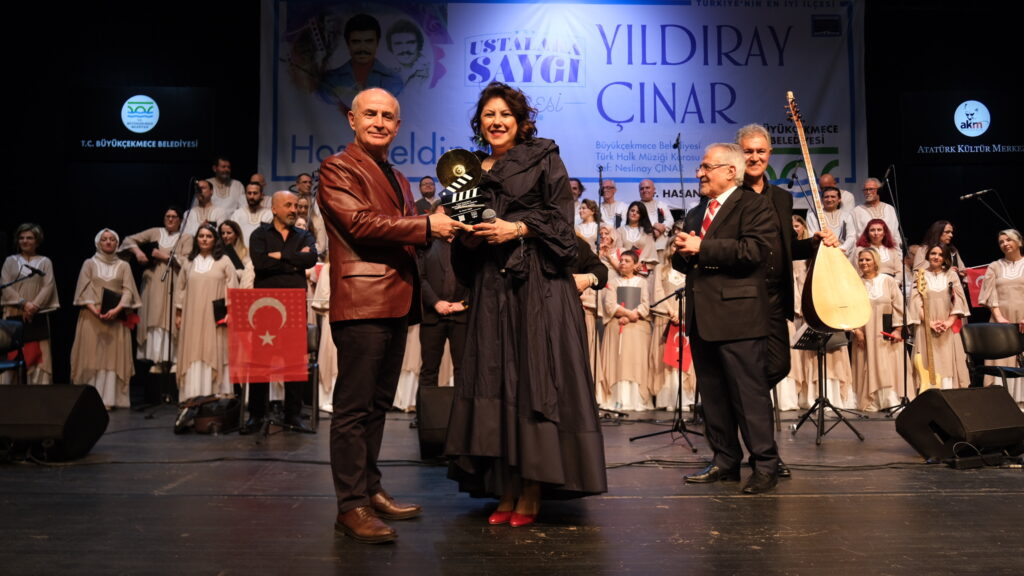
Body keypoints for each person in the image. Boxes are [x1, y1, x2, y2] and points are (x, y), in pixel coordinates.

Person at [444, 81, 608, 528]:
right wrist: (467, 234)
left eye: (505, 115)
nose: (496, 122)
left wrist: (515, 229)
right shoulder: (468, 170)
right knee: (497, 381)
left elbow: (561, 223)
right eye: (489, 115)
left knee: (535, 381)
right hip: (490, 289)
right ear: (479, 122)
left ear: (521, 122)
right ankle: (506, 487)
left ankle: (533, 489)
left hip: (538, 287)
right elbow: (462, 244)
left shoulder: (544, 158)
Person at [318, 88, 467, 543]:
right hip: (362, 300)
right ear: (352, 120)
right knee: (353, 408)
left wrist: (445, 228)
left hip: (397, 299)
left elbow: (405, 236)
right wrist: (427, 225)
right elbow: (359, 224)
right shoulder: (337, 168)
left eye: (388, 116)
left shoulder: (399, 177)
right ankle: (351, 506)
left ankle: (370, 488)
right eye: (371, 114)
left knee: (378, 404)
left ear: (398, 126)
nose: (379, 122)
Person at [672, 142, 780, 494]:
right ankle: (725, 461)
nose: (699, 173)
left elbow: (754, 252)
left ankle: (765, 465)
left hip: (739, 318)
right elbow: (683, 263)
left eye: (706, 167)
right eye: (701, 167)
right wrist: (681, 251)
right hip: (703, 318)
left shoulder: (754, 205)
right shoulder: (696, 212)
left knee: (749, 396)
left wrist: (702, 247)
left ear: (731, 171)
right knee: (714, 397)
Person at [244, 191, 318, 434]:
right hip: (265, 304)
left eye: (296, 205)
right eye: (288, 205)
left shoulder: (304, 234)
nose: (294, 209)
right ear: (274, 209)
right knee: (260, 361)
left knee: (294, 361)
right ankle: (256, 415)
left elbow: (310, 260)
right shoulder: (259, 234)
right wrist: (294, 261)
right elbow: (260, 263)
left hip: (294, 304)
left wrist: (281, 256)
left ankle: (293, 414)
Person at [70, 229, 142, 409]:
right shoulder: (89, 263)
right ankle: (89, 400)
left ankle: (109, 399)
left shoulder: (124, 265)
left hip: (115, 319)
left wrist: (117, 309)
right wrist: (95, 310)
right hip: (92, 317)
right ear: (98, 243)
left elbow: (128, 290)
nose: (108, 242)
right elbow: (83, 288)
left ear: (117, 243)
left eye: (112, 239)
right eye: (104, 239)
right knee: (92, 357)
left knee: (112, 358)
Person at [120, 207, 192, 371]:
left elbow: (187, 262)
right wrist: (138, 252)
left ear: (180, 220)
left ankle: (173, 359)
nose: (170, 219)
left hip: (174, 282)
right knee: (154, 317)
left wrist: (164, 256)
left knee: (170, 318)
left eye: (174, 217)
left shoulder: (186, 237)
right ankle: (156, 360)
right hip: (153, 282)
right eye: (167, 216)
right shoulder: (155, 232)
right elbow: (128, 240)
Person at [175, 224, 237, 399]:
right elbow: (180, 289)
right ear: (196, 239)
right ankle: (193, 393)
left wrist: (230, 311)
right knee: (193, 348)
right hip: (192, 316)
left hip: (215, 316)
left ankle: (215, 393)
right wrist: (178, 314)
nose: (204, 239)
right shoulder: (189, 262)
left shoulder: (224, 261)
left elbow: (232, 287)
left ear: (215, 240)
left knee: (215, 348)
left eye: (208, 236)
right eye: (201, 236)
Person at [417, 205, 470, 389]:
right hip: (432, 317)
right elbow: (420, 277)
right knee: (429, 370)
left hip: (462, 317)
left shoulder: (468, 245)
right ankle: (425, 409)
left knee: (463, 370)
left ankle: (462, 409)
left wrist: (465, 304)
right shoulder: (425, 245)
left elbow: (478, 276)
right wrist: (435, 302)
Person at [1, 223, 59, 384]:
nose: (25, 241)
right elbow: (5, 285)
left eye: (29, 238)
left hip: (37, 314)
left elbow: (48, 286)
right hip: (14, 312)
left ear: (37, 241)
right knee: (12, 354)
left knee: (38, 356)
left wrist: (34, 306)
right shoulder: (10, 261)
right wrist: (23, 304)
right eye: (21, 238)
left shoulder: (45, 261)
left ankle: (38, 391)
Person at [907, 244, 971, 390]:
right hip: (926, 326)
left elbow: (959, 300)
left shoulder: (951, 275)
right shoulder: (919, 275)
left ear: (945, 258)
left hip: (947, 327)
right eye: (933, 253)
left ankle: (948, 391)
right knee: (927, 361)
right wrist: (929, 323)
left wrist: (948, 322)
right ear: (927, 256)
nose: (936, 257)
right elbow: (915, 302)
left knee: (947, 360)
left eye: (940, 254)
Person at [851, 248, 905, 411]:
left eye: (867, 259)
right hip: (864, 332)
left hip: (885, 333)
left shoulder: (888, 281)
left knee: (886, 365)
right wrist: (857, 331)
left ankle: (890, 401)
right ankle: (871, 401)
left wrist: (898, 329)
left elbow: (899, 306)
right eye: (861, 260)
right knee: (867, 364)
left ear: (875, 261)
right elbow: (850, 309)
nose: (864, 263)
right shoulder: (855, 283)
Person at [600, 250, 652, 411]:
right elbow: (610, 305)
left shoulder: (642, 282)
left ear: (635, 265)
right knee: (618, 362)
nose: (622, 263)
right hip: (617, 327)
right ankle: (617, 399)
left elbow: (645, 304)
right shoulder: (613, 282)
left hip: (636, 328)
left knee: (635, 362)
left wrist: (631, 317)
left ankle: (636, 400)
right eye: (621, 260)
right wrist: (628, 314)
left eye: (627, 261)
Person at [318, 14, 403, 111]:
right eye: (356, 42)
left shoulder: (394, 81)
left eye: (369, 41)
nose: (362, 48)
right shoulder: (330, 81)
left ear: (377, 43)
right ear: (348, 43)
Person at [978, 229, 1024, 403]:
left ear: (1019, 242)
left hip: (1022, 318)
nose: (1005, 244)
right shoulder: (995, 266)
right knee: (1001, 357)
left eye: (1008, 240)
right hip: (1000, 319)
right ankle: (1000, 400)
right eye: (1001, 242)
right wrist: (998, 317)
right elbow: (989, 293)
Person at [806, 185, 857, 257]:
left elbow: (851, 236)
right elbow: (812, 235)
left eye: (833, 197)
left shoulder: (847, 216)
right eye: (826, 197)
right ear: (822, 200)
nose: (829, 199)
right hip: (822, 254)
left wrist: (841, 248)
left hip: (842, 254)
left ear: (839, 199)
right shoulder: (813, 216)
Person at [851, 177, 903, 247]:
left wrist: (898, 251)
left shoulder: (889, 209)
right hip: (867, 250)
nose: (868, 192)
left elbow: (896, 234)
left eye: (871, 189)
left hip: (888, 250)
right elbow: (853, 237)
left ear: (879, 190)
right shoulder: (856, 211)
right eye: (865, 190)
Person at [854, 218, 903, 286]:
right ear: (867, 233)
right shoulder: (861, 249)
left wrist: (895, 283)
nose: (876, 233)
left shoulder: (892, 250)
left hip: (891, 284)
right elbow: (857, 271)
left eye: (879, 230)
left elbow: (899, 271)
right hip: (869, 284)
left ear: (884, 233)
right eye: (872, 230)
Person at [386, 19, 430, 91]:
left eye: (410, 43)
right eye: (398, 44)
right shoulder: (388, 72)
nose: (404, 49)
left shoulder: (430, 71)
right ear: (391, 47)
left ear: (419, 44)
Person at [639, 178, 675, 255]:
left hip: (661, 245)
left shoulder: (661, 204)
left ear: (654, 190)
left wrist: (661, 229)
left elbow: (670, 220)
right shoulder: (635, 206)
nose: (644, 190)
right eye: (642, 189)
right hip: (642, 245)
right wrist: (654, 226)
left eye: (647, 188)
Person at [218, 220, 254, 288]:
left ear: (237, 234)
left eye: (229, 233)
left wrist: (234, 273)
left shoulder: (246, 251)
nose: (225, 236)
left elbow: (248, 272)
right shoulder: (218, 251)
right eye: (223, 233)